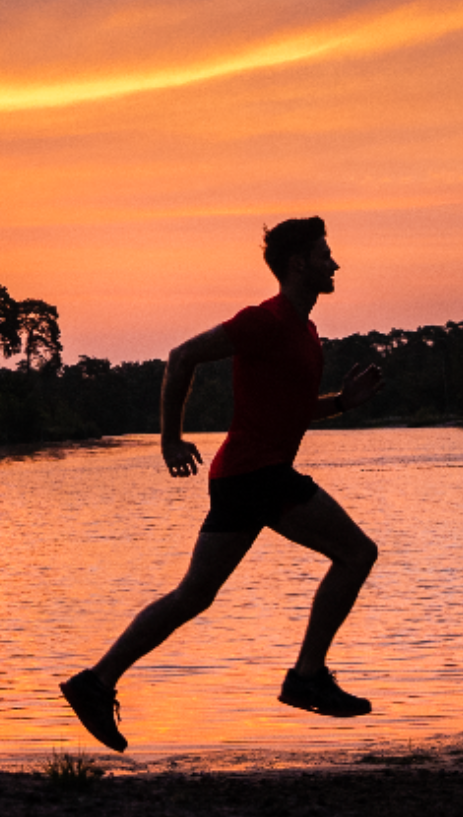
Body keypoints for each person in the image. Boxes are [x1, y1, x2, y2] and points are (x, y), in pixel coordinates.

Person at [60, 216, 385, 752]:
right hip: (256, 474)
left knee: (194, 595)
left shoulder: (305, 333)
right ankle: (307, 675)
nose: (335, 263)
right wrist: (169, 437)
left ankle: (95, 682)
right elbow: (181, 356)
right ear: (299, 262)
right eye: (325, 254)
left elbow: (294, 413)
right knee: (356, 554)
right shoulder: (267, 321)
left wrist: (342, 406)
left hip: (244, 476)